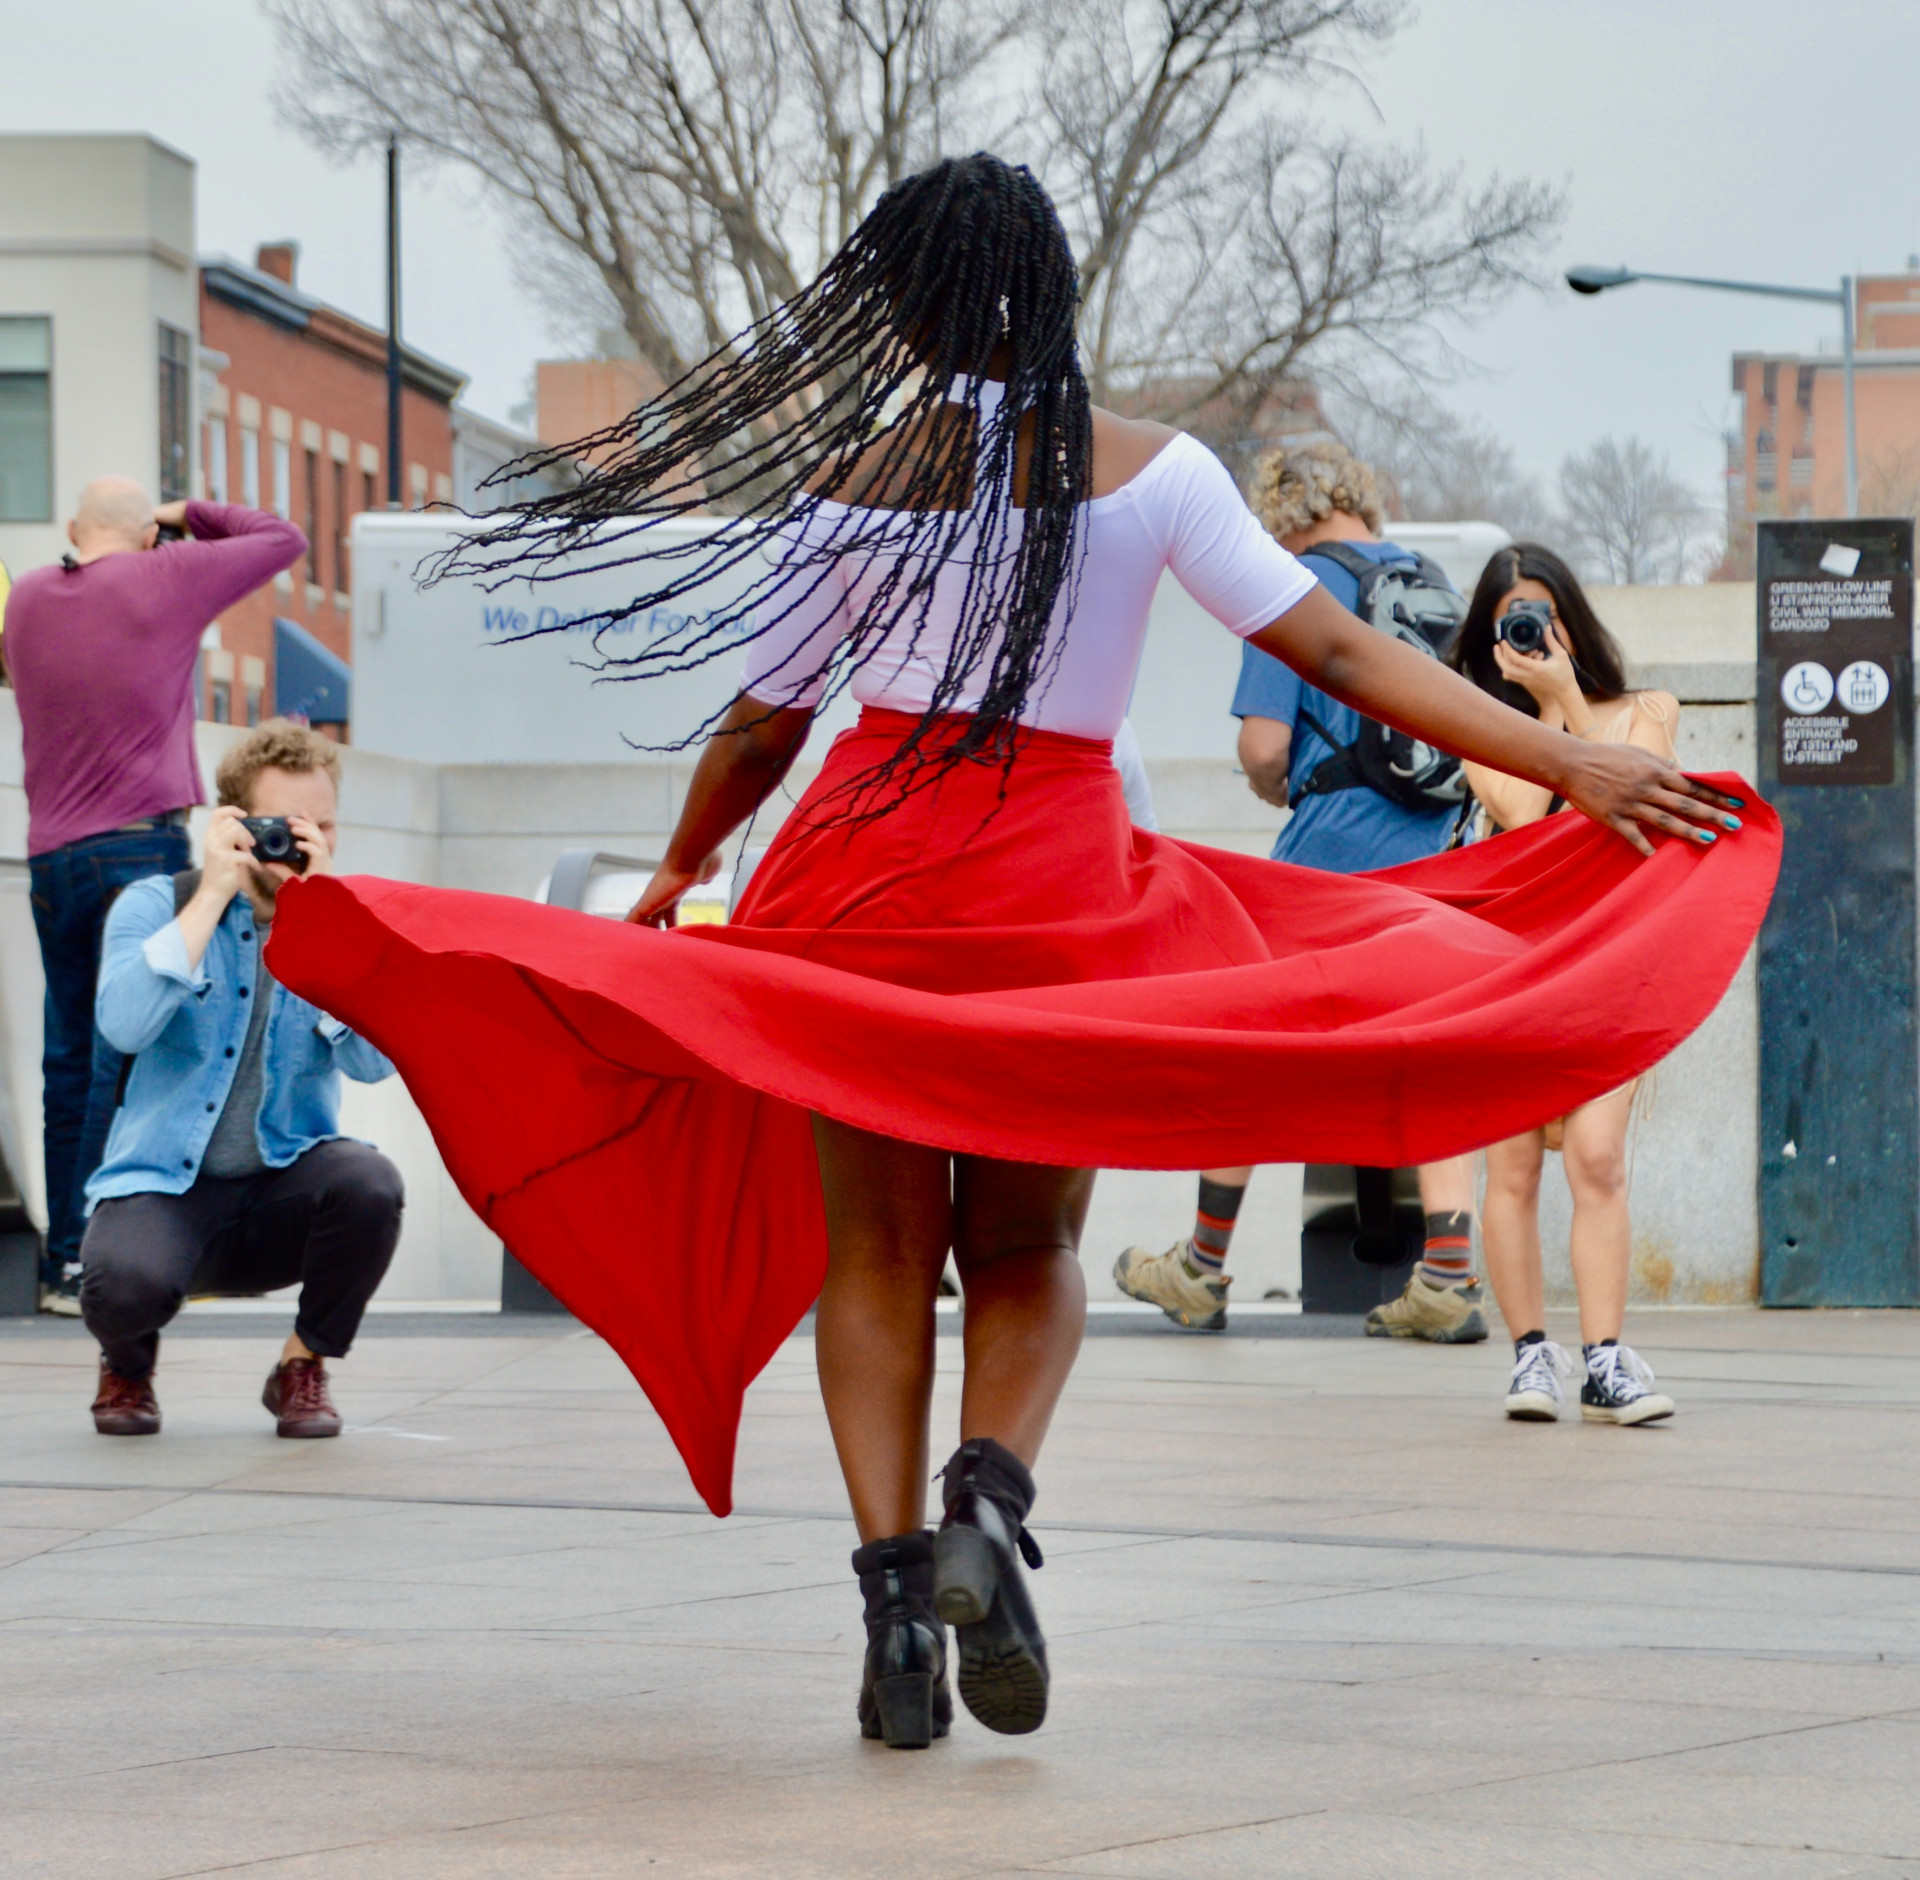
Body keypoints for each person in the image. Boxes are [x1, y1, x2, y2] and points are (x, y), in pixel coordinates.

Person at [265, 154, 1767, 1751]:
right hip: (1057, 886)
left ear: (900, 302)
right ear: (1055, 292)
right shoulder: (1155, 471)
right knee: (1031, 1248)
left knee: (875, 1257)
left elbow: (773, 719)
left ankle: (896, 1611)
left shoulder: (860, 477)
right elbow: (1334, 645)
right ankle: (986, 1503)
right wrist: (1572, 764)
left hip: (856, 881)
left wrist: (690, 867)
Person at [1114, 440, 1480, 1341]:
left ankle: (1200, 1267)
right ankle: (1447, 1275)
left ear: (1279, 513)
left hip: (1330, 862)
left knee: (1257, 1046)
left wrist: (1287, 785)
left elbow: (1264, 747)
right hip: (1434, 853)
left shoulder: (1293, 588)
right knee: (1422, 1054)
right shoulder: (1432, 581)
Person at [1, 479, 305, 1310]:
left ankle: (64, 1263)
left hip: (51, 858)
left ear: (71, 529)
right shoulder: (161, 577)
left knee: (66, 1059)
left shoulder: (26, 599)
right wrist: (184, 519)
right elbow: (281, 538)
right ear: (144, 537)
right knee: (124, 1058)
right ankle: (104, 1257)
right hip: (137, 846)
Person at [80, 721, 402, 1440]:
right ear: (231, 822)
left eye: (319, 825)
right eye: (283, 825)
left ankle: (301, 1365)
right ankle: (127, 1363)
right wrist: (212, 896)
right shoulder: (154, 905)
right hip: (165, 1188)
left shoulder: (347, 928)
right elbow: (122, 1026)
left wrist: (324, 930)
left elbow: (374, 1063)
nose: (302, 841)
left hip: (280, 1189)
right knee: (120, 1284)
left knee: (369, 1184)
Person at [1448, 543, 1681, 1426]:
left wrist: (1570, 703)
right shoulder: (1477, 725)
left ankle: (1607, 1360)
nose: (1533, 633)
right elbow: (1524, 811)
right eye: (1515, 621)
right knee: (1508, 1166)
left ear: (1573, 620)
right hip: (1510, 965)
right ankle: (1529, 1355)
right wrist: (1536, 712)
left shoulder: (1645, 710)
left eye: (1544, 614)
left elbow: (1638, 823)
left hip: (1608, 969)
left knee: (1597, 1157)